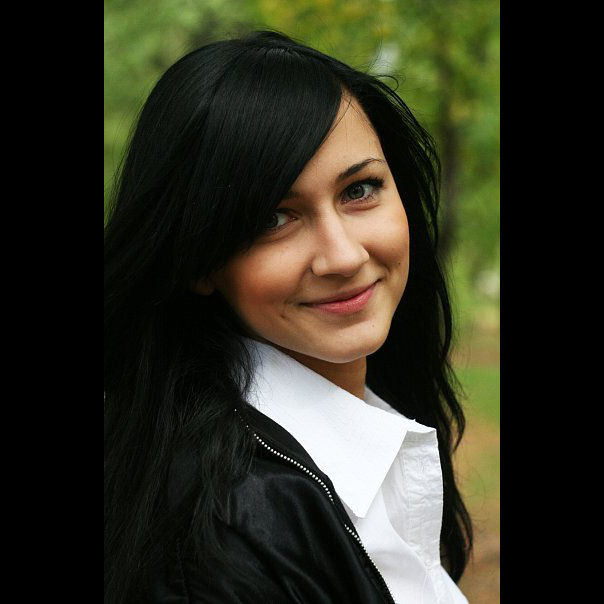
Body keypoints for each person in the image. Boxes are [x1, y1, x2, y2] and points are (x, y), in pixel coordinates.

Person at [104, 30, 473, 604]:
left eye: (360, 189)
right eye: (273, 218)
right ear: (198, 260)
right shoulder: (220, 535)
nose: (343, 256)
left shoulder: (368, 441)